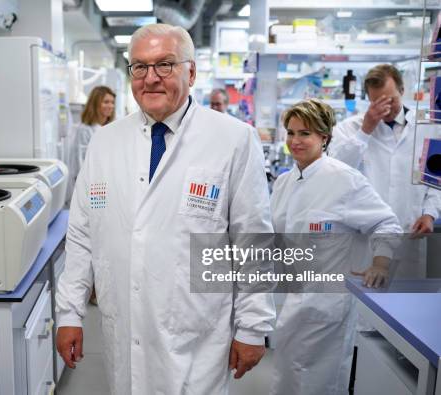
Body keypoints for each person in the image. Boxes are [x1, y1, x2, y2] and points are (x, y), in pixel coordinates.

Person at [55, 23, 275, 395]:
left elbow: (252, 239)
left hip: (197, 335)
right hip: (125, 329)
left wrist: (253, 327)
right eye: (139, 67)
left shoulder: (233, 139)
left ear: (191, 71)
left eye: (164, 65)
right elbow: (81, 235)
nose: (150, 78)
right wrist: (69, 313)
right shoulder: (105, 143)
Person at [269, 99, 402, 395]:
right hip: (292, 301)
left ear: (324, 137)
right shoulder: (283, 183)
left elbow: (387, 223)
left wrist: (380, 263)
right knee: (286, 377)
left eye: (305, 133)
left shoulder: (345, 181)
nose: (295, 141)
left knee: (319, 383)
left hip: (328, 306)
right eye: (291, 133)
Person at [329, 64, 441, 278]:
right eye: (376, 102)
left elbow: (436, 178)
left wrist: (429, 214)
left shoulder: (429, 127)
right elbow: (336, 172)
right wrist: (366, 130)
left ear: (402, 90)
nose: (385, 109)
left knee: (406, 308)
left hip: (410, 237)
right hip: (365, 241)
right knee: (363, 308)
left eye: (391, 100)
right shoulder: (350, 128)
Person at [66, 86, 116, 197]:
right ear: (95, 104)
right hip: (91, 189)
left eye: (112, 102)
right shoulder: (85, 130)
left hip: (105, 186)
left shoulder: (107, 128)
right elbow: (81, 164)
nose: (110, 106)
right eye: (106, 102)